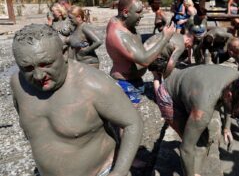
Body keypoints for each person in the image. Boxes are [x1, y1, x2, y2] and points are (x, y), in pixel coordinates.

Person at [11, 24, 143, 176]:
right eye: (27, 68)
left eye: (46, 64)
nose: (39, 76)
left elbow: (133, 123)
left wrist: (119, 171)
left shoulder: (93, 84)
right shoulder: (18, 83)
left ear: (65, 53)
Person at [152, 64, 239, 176]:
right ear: (229, 95)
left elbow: (231, 106)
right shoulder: (203, 109)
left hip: (189, 86)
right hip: (168, 96)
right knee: (195, 143)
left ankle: (195, 171)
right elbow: (186, 149)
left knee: (204, 141)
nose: (235, 117)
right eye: (237, 115)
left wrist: (226, 128)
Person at [106, 0, 175, 105]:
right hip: (125, 84)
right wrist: (165, 37)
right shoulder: (119, 34)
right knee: (129, 120)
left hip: (134, 81)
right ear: (126, 12)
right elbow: (144, 60)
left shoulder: (121, 21)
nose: (142, 15)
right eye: (138, 12)